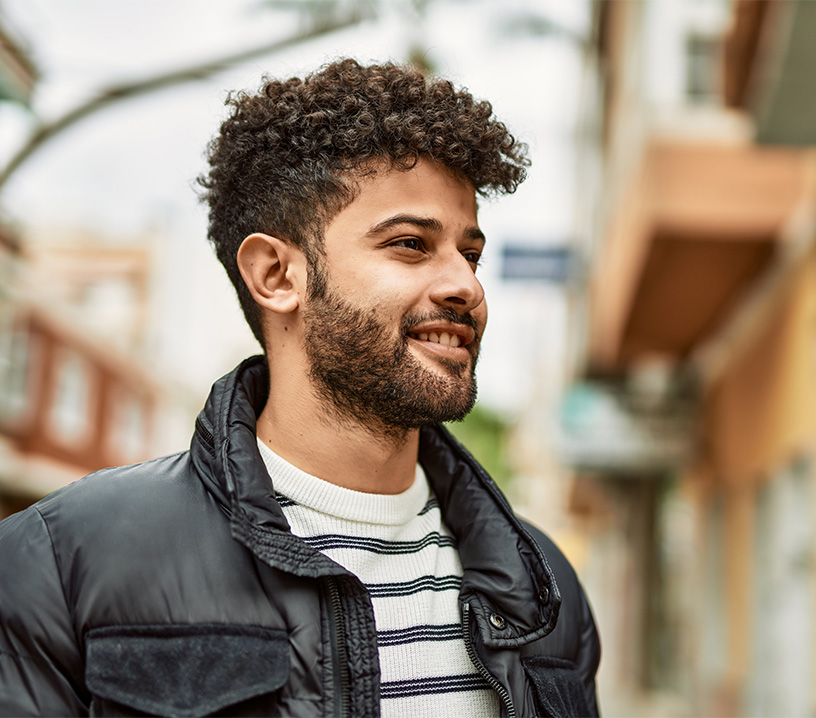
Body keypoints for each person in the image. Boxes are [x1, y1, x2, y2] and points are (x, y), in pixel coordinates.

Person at [0, 58, 600, 717]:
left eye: (470, 253)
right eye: (409, 244)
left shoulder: (543, 588)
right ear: (277, 274)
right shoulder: (61, 563)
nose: (467, 286)